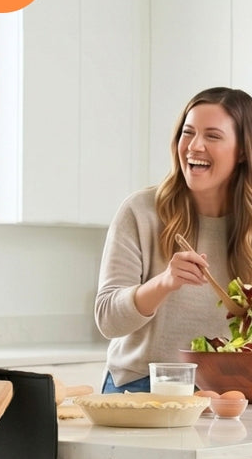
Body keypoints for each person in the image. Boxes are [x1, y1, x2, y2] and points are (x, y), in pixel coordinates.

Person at [95, 86, 252, 393]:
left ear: (243, 150)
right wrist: (165, 282)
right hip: (141, 386)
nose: (194, 146)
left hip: (228, 391)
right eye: (188, 132)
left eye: (212, 136)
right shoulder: (141, 212)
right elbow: (108, 319)